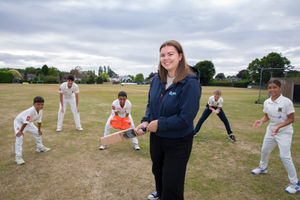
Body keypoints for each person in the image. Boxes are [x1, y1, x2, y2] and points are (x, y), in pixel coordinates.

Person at [136, 40, 201, 200]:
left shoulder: (190, 83)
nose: (166, 58)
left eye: (170, 54)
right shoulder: (157, 80)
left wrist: (159, 124)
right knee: (157, 171)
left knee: (172, 184)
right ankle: (160, 193)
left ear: (180, 56)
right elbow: (151, 105)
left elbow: (185, 118)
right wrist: (145, 121)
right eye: (162, 55)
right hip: (157, 139)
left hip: (178, 141)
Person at [251, 79, 299, 194]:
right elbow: (267, 116)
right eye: (270, 87)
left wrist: (279, 127)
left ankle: (295, 183)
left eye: (274, 87)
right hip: (271, 131)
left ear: (280, 88)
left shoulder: (286, 102)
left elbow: (291, 119)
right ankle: (263, 168)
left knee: (285, 156)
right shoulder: (267, 102)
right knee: (264, 150)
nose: (272, 90)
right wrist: (261, 121)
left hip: (284, 132)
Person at [13, 96, 51, 165]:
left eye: (42, 104)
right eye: (38, 104)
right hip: (19, 122)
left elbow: (39, 121)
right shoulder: (31, 110)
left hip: (28, 123)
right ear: (34, 104)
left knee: (37, 133)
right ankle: (18, 157)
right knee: (19, 137)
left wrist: (39, 130)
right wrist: (20, 131)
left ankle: (39, 148)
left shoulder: (41, 110)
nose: (40, 106)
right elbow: (25, 122)